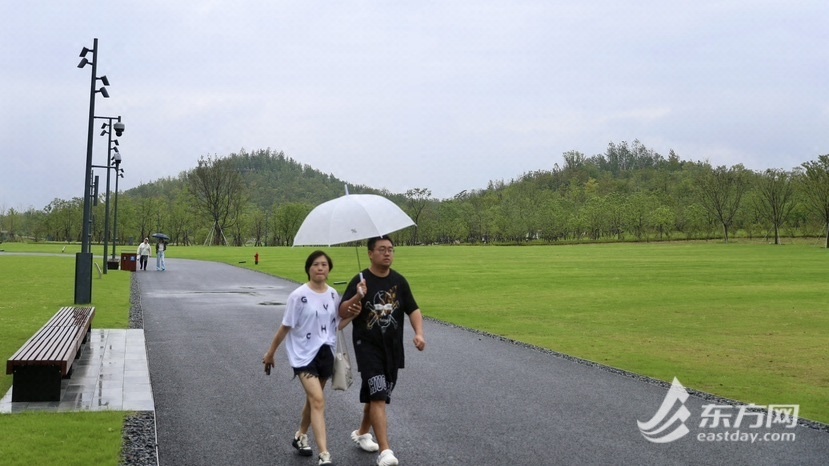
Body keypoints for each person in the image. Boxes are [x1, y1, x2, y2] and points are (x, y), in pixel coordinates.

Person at [263, 250, 365, 466]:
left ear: (329, 270)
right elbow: (285, 327)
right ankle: (324, 454)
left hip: (325, 353)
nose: (320, 268)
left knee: (314, 400)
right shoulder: (298, 296)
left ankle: (300, 435)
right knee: (318, 400)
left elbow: (336, 326)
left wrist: (353, 314)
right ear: (308, 268)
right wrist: (271, 352)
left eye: (324, 265)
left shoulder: (333, 294)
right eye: (316, 264)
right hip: (303, 356)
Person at [338, 236, 426, 466]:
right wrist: (358, 296)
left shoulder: (399, 282)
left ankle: (362, 433)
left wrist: (419, 333)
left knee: (378, 394)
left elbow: (413, 309)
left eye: (391, 250)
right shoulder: (360, 280)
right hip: (367, 347)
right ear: (370, 253)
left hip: (392, 349)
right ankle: (386, 451)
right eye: (382, 250)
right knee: (377, 394)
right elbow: (342, 312)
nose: (387, 253)